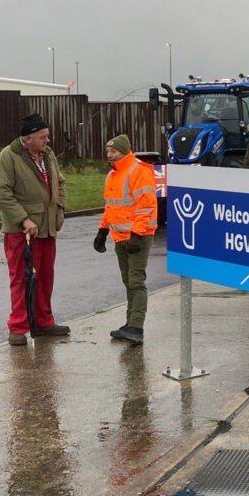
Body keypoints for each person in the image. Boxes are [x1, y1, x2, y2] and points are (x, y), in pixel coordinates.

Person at [0, 113, 70, 346]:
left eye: (47, 135)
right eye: (43, 136)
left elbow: (61, 182)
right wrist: (24, 219)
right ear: (28, 138)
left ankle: (44, 322)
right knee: (22, 279)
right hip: (22, 232)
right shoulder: (9, 156)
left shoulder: (48, 155)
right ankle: (18, 327)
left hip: (47, 229)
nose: (47, 140)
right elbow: (0, 193)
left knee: (45, 277)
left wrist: (60, 207)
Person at [95, 134, 158, 345]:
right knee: (128, 282)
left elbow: (146, 205)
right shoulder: (112, 175)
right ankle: (130, 324)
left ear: (124, 151)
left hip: (137, 237)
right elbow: (110, 207)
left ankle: (136, 327)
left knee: (136, 282)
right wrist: (102, 231)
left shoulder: (138, 171)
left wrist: (137, 234)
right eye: (108, 151)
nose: (109, 155)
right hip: (120, 237)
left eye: (113, 152)